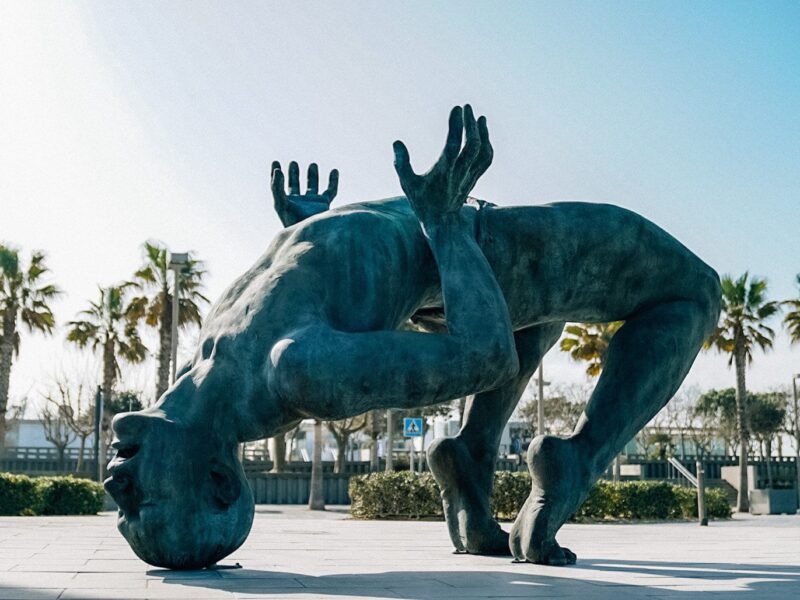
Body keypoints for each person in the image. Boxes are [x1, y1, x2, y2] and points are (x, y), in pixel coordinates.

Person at [105, 105, 720, 569]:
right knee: (692, 289)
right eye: (141, 505)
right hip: (472, 243)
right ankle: (577, 460)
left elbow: (314, 289)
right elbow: (486, 355)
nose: (116, 484)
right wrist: (444, 222)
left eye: (121, 504)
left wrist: (313, 227)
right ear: (218, 481)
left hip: (439, 253)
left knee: (539, 318)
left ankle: (473, 456)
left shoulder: (208, 363)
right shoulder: (301, 372)